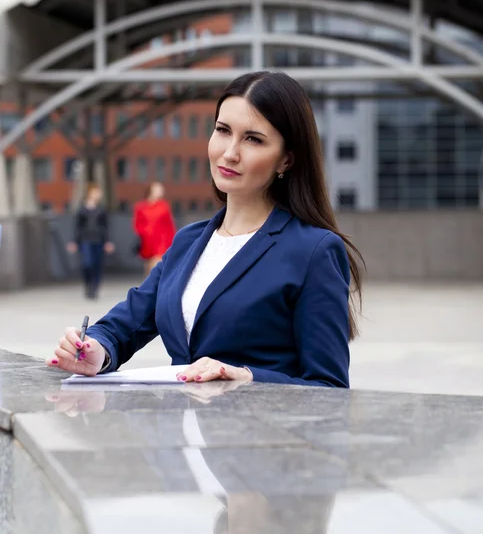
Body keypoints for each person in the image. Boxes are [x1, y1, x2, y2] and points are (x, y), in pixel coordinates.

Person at [47, 71, 365, 387]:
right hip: (182, 433)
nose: (230, 152)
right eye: (223, 131)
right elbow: (129, 321)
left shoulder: (313, 250)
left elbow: (330, 387)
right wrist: (96, 350)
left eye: (253, 139)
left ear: (286, 160)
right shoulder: (189, 241)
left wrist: (249, 377)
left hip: (261, 434)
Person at [67, 182, 115, 299]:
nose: (98, 195)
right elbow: (78, 227)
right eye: (95, 192)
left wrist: (108, 241)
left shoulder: (101, 210)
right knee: (87, 263)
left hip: (99, 239)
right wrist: (74, 241)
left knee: (97, 264)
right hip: (85, 239)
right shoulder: (82, 209)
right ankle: (88, 284)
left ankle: (95, 288)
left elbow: (105, 227)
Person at [133, 182, 177, 276]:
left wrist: (173, 240)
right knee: (148, 266)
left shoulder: (164, 206)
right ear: (151, 190)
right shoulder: (141, 207)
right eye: (158, 189)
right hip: (147, 240)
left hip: (161, 240)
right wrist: (144, 232)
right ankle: (148, 287)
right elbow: (137, 223)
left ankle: (154, 288)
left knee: (156, 264)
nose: (161, 191)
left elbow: (170, 225)